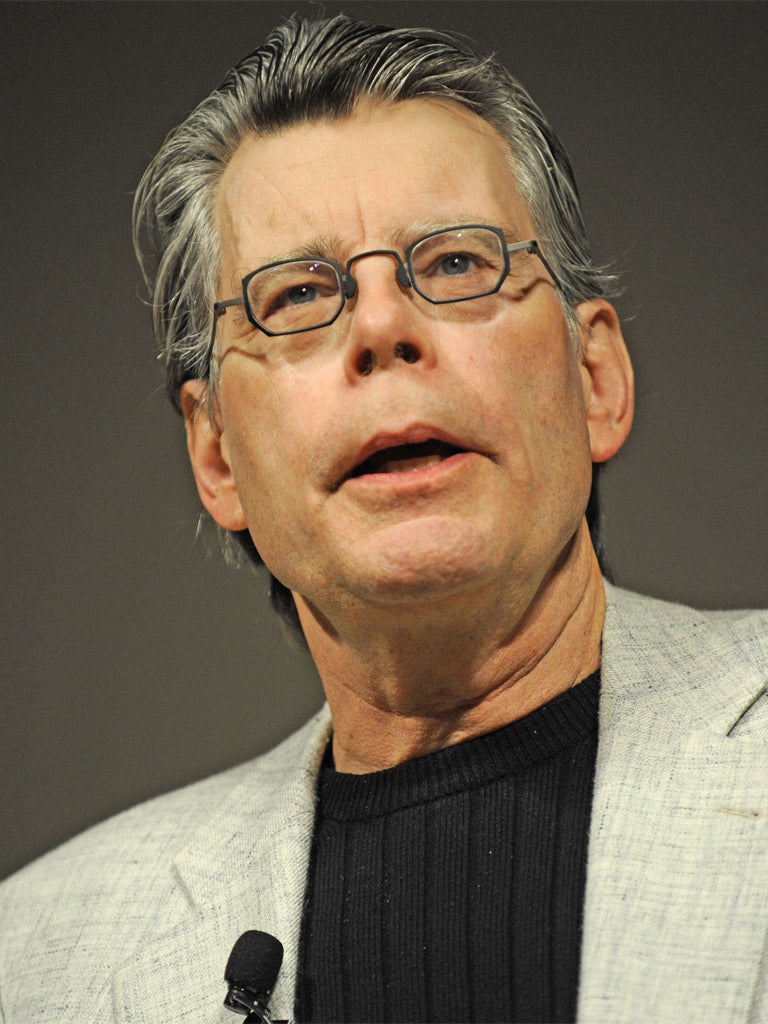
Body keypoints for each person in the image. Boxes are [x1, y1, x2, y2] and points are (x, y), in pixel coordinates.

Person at [1, 13, 766, 1024]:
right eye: (296, 295)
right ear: (217, 454)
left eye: (454, 264)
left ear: (594, 379)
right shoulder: (37, 957)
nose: (380, 324)